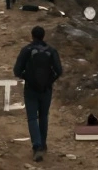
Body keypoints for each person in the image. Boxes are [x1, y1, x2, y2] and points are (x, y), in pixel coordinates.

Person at [14, 26, 62, 161]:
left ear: (32, 35)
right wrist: (49, 81)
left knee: (32, 118)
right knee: (43, 116)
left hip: (30, 89)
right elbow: (59, 70)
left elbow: (17, 71)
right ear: (43, 36)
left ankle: (37, 146)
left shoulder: (27, 50)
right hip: (46, 89)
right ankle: (43, 144)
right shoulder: (51, 51)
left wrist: (27, 78)